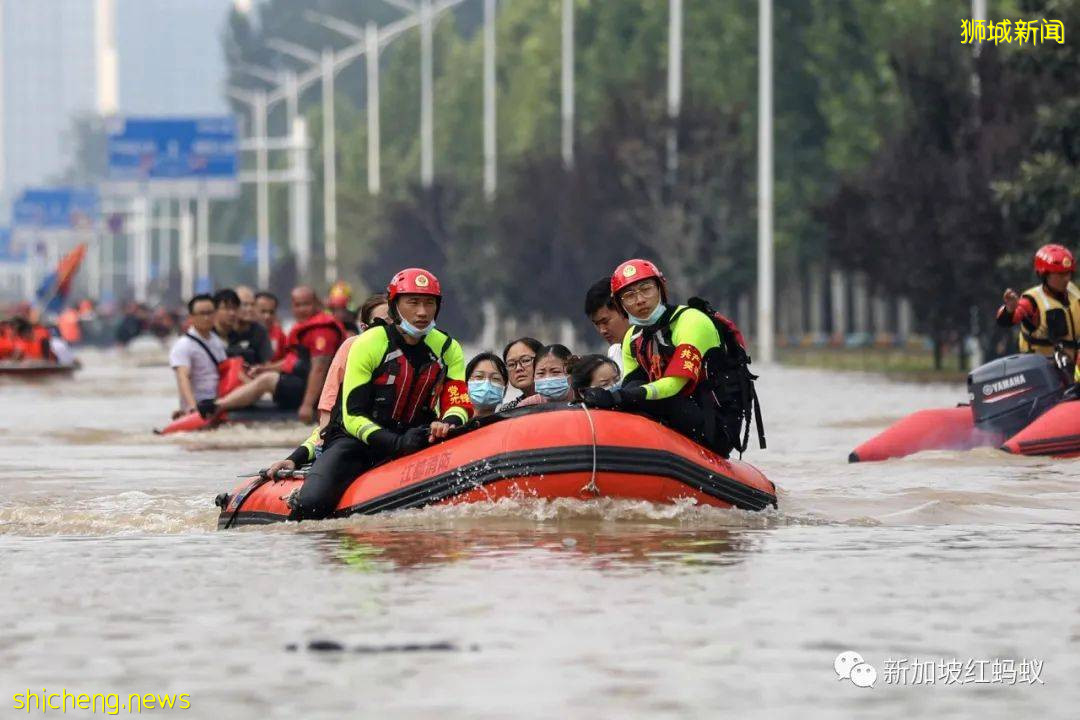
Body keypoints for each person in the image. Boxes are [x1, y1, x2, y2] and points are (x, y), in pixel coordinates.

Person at [282, 268, 474, 520]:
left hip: (417, 437)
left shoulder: (449, 348)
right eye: (413, 302)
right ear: (394, 305)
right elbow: (352, 416)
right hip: (356, 443)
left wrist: (446, 424)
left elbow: (459, 402)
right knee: (311, 504)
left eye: (429, 303)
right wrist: (395, 443)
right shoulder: (369, 343)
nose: (422, 312)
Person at [581, 259, 728, 454]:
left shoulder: (691, 321)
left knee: (635, 396)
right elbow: (631, 386)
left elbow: (675, 384)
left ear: (660, 289)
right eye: (629, 296)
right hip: (672, 417)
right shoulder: (633, 338)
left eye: (646, 289)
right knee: (631, 391)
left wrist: (618, 396)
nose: (640, 300)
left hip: (713, 424)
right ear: (620, 304)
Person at [210, 286, 345, 422]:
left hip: (321, 393)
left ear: (317, 303)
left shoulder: (322, 330)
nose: (301, 310)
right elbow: (293, 361)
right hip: (300, 384)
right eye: (297, 305)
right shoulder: (305, 328)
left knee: (267, 380)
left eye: (306, 304)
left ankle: (217, 407)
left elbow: (319, 370)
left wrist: (307, 405)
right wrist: (263, 369)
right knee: (264, 376)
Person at [997, 243, 1080, 365]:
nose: (1066, 279)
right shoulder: (1032, 301)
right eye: (1060, 274)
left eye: (1068, 273)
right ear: (1044, 274)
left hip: (1072, 369)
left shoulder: (1073, 291)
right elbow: (1006, 320)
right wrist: (1009, 310)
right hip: (1044, 372)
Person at [169, 294, 227, 416]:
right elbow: (183, 377)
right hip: (200, 404)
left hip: (219, 401)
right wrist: (193, 408)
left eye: (210, 313)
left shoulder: (217, 342)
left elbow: (225, 371)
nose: (206, 317)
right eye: (201, 313)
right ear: (191, 317)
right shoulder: (183, 345)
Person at [584, 277, 631, 371]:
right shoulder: (615, 353)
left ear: (625, 309)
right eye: (597, 324)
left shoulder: (655, 343)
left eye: (605, 321)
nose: (602, 331)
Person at [226, 286, 273, 364]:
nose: (250, 309)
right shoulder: (224, 329)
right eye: (245, 305)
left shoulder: (260, 331)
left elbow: (266, 363)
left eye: (252, 304)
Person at [499, 337, 544, 410]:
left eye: (525, 360)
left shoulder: (560, 402)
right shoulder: (507, 412)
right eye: (511, 364)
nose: (518, 368)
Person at [466, 352, 509, 419]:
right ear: (466, 385)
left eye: (495, 378)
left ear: (505, 390)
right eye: (479, 376)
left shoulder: (510, 424)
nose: (486, 384)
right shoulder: (452, 425)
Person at [255, 291, 288, 361]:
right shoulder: (244, 331)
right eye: (263, 311)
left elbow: (287, 361)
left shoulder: (280, 335)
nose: (267, 316)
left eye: (271, 312)